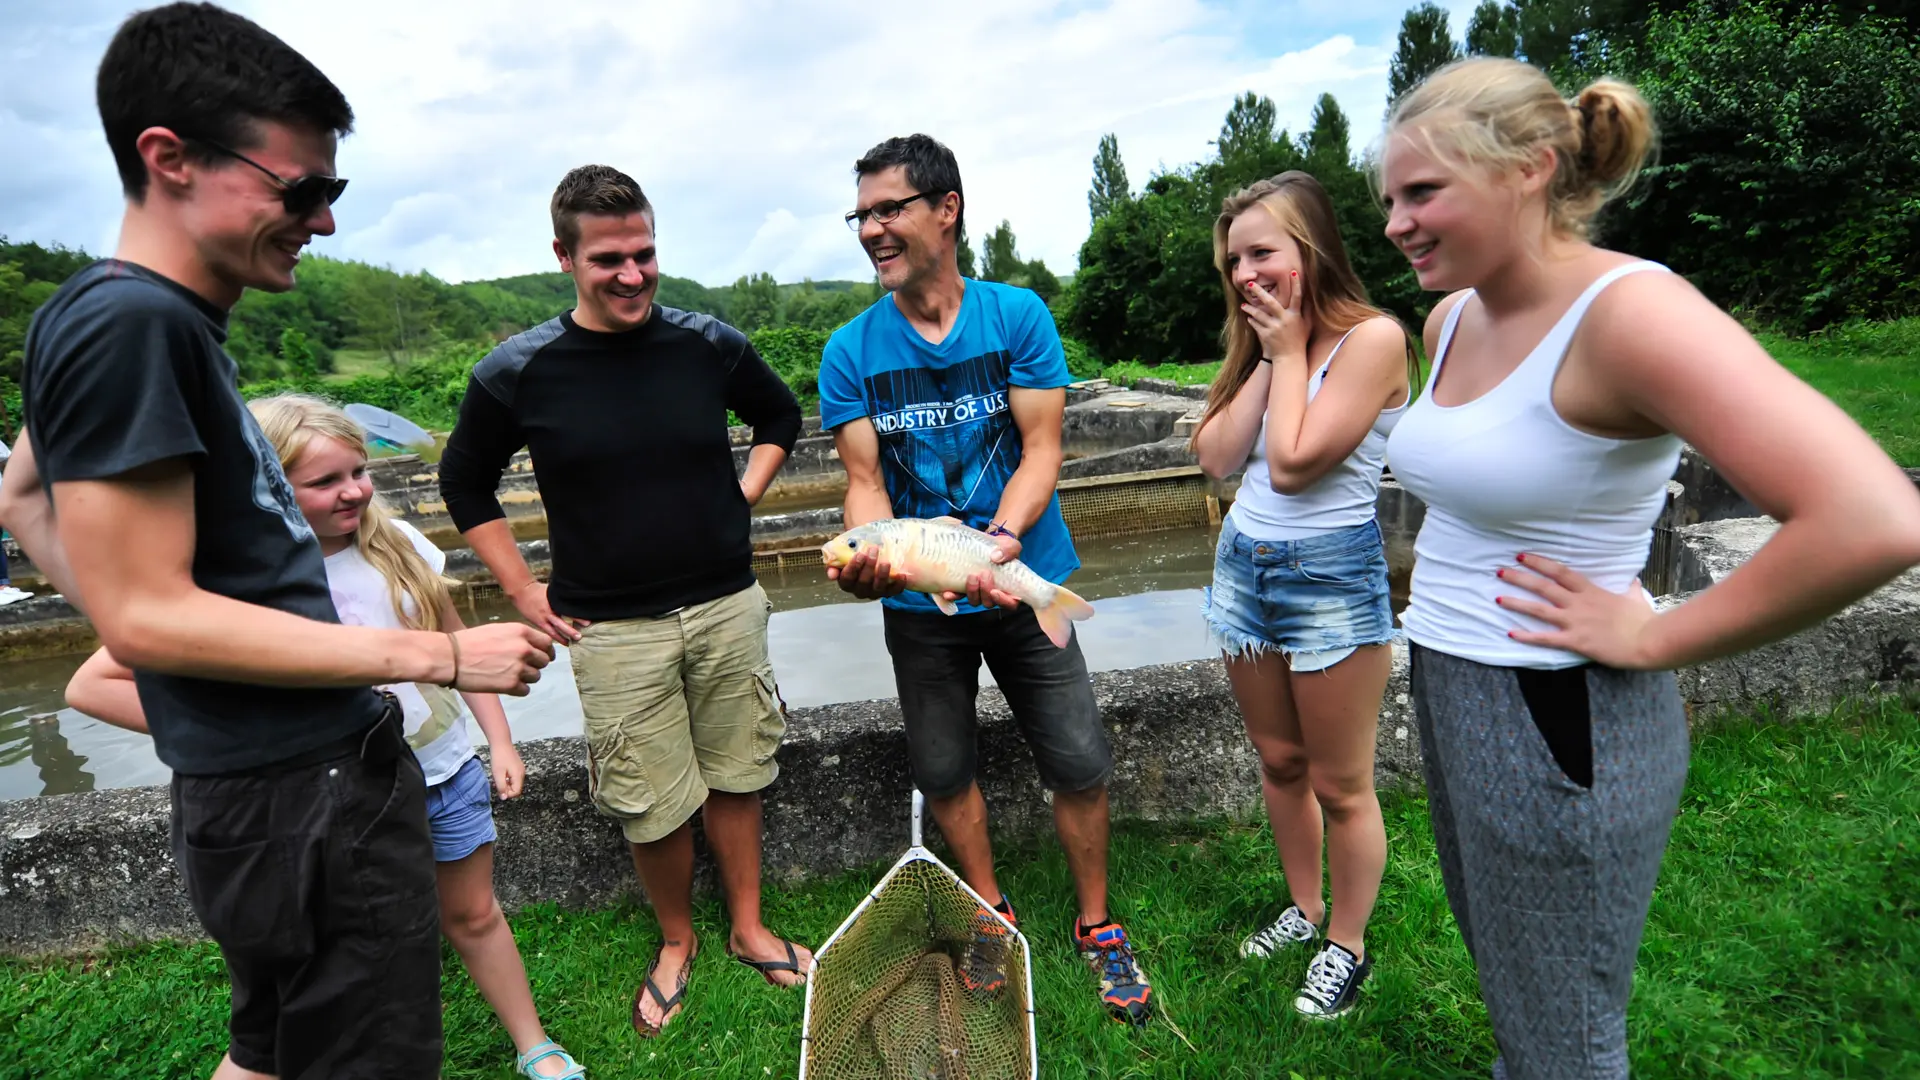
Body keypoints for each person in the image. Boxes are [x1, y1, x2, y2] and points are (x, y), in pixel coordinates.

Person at [0, 6, 555, 1078]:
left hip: (256, 800)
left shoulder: (94, 314)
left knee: (272, 1047)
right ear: (169, 160)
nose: (324, 223)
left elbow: (23, 497)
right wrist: (438, 655)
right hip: (304, 802)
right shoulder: (139, 326)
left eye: (329, 192)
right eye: (301, 190)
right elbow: (142, 611)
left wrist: (185, 685)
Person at [1375, 56, 1920, 1079]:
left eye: (1422, 192)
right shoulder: (1453, 318)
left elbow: (1872, 517)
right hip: (1453, 682)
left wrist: (1655, 633)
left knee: (1567, 1040)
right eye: (1391, 198)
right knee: (1524, 999)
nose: (1398, 222)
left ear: (1531, 167)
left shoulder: (1629, 315)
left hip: (1557, 709)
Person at [67, 394, 587, 1079]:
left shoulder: (396, 545)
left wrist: (502, 741)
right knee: (333, 963)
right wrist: (248, 733)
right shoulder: (241, 583)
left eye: (359, 471)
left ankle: (533, 1042)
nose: (353, 492)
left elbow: (458, 647)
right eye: (324, 482)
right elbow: (92, 685)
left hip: (442, 767)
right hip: (340, 796)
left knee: (475, 914)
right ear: (271, 485)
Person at [438, 164, 809, 1038]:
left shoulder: (705, 342)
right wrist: (524, 588)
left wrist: (741, 496)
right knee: (650, 798)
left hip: (725, 603)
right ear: (564, 255)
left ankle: (749, 927)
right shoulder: (518, 370)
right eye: (609, 259)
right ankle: (677, 940)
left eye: (644, 254)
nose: (634, 274)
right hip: (610, 626)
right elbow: (464, 483)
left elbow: (781, 417)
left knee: (740, 769)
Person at [819, 133, 1153, 1026]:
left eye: (889, 209)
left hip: (1022, 573)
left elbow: (1045, 449)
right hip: (918, 605)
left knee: (1079, 757)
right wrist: (871, 561)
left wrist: (998, 547)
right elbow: (864, 484)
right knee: (943, 766)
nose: (872, 230)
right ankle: (991, 911)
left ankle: (1096, 923)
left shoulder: (1017, 317)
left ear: (946, 210)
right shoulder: (848, 351)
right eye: (862, 214)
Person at [1189, 171, 1418, 1019]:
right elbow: (1216, 459)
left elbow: (1293, 461)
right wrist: (1268, 356)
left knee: (1341, 783)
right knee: (1279, 762)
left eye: (1262, 253)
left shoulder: (1374, 340)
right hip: (1245, 568)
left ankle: (1346, 947)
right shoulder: (1267, 348)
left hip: (1330, 578)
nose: (1245, 273)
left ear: (1311, 248)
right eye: (1234, 260)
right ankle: (1305, 905)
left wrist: (1290, 355)